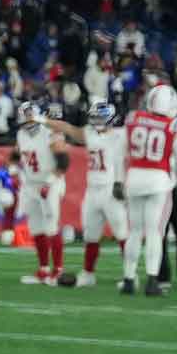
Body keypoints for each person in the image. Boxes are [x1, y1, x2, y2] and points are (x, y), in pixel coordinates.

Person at [121, 84, 177, 296]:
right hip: (159, 181)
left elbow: (121, 153)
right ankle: (153, 281)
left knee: (134, 232)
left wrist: (119, 181)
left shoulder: (133, 118)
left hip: (134, 177)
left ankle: (128, 279)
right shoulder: (173, 125)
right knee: (155, 232)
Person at [46, 100, 125, 287]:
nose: (96, 120)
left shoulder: (120, 136)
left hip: (111, 190)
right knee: (90, 234)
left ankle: (129, 275)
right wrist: (40, 119)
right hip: (93, 190)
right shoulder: (89, 134)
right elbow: (67, 127)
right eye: (94, 117)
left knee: (122, 234)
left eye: (100, 117)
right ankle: (88, 273)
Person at [14, 101, 69, 285]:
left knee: (51, 225)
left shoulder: (51, 132)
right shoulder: (21, 134)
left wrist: (50, 182)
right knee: (36, 227)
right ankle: (44, 269)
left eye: (31, 118)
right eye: (26, 119)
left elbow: (63, 162)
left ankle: (58, 270)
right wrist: (15, 169)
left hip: (50, 182)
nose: (28, 123)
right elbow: (20, 157)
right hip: (31, 184)